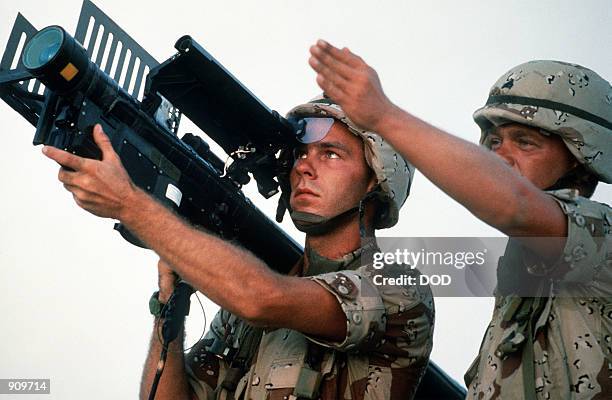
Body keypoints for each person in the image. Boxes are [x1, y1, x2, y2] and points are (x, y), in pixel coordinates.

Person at [41, 97, 435, 399]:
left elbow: (261, 298)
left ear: (376, 182)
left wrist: (130, 204)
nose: (304, 167)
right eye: (301, 154)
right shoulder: (247, 314)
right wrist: (169, 300)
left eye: (331, 154)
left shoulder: (395, 291)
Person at [308, 40, 611, 399]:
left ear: (579, 156)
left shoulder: (601, 240)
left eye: (525, 142)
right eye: (494, 142)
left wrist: (382, 116)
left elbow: (514, 204)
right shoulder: (521, 282)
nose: (502, 156)